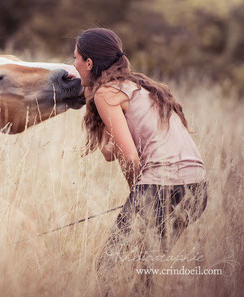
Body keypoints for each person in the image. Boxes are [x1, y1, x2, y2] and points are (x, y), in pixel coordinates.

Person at [73, 28, 208, 273]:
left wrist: (138, 197)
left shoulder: (107, 93)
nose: (74, 64)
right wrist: (91, 103)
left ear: (89, 63)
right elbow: (108, 151)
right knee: (141, 269)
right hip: (197, 189)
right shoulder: (138, 86)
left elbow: (130, 158)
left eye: (75, 58)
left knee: (108, 268)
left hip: (161, 187)